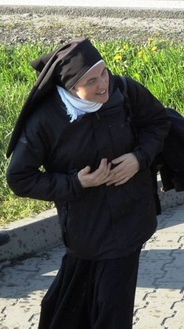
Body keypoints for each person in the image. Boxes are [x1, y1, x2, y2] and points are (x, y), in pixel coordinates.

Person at [5, 38, 170, 328]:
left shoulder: (124, 90)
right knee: (67, 305)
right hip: (86, 229)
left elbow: (157, 122)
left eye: (103, 72)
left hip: (130, 220)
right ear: (70, 88)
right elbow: (20, 178)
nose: (103, 84)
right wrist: (76, 183)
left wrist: (138, 158)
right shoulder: (46, 120)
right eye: (91, 81)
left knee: (111, 310)